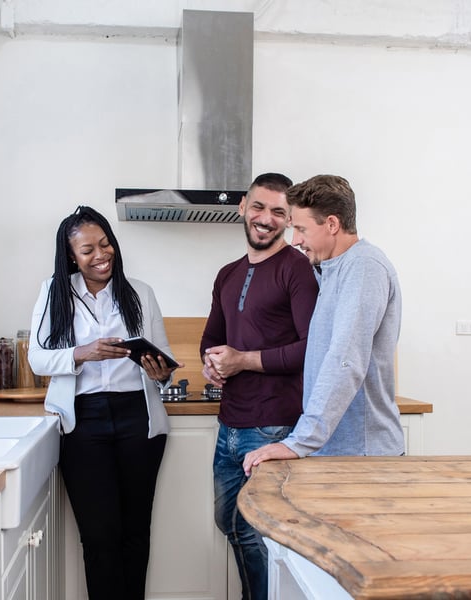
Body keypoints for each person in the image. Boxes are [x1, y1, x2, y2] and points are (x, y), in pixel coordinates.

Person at [28, 205, 181, 600]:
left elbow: (163, 359)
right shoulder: (55, 291)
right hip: (84, 423)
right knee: (99, 536)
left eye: (105, 243)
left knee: (135, 533)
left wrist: (160, 371)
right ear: (71, 257)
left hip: (138, 420)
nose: (100, 255)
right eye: (87, 250)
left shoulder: (140, 293)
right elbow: (38, 357)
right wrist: (83, 353)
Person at [200, 172, 319, 600]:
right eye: (258, 207)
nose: (265, 218)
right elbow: (211, 337)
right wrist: (211, 364)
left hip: (275, 427)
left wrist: (242, 360)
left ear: (289, 221)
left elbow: (311, 348)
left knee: (263, 533)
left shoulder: (299, 269)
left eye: (278, 212)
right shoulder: (227, 274)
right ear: (242, 207)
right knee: (229, 523)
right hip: (230, 423)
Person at [243, 174, 404, 476]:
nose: (295, 241)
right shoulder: (332, 270)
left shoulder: (364, 267)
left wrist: (300, 441)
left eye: (301, 229)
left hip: (362, 456)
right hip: (338, 452)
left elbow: (346, 360)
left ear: (332, 224)